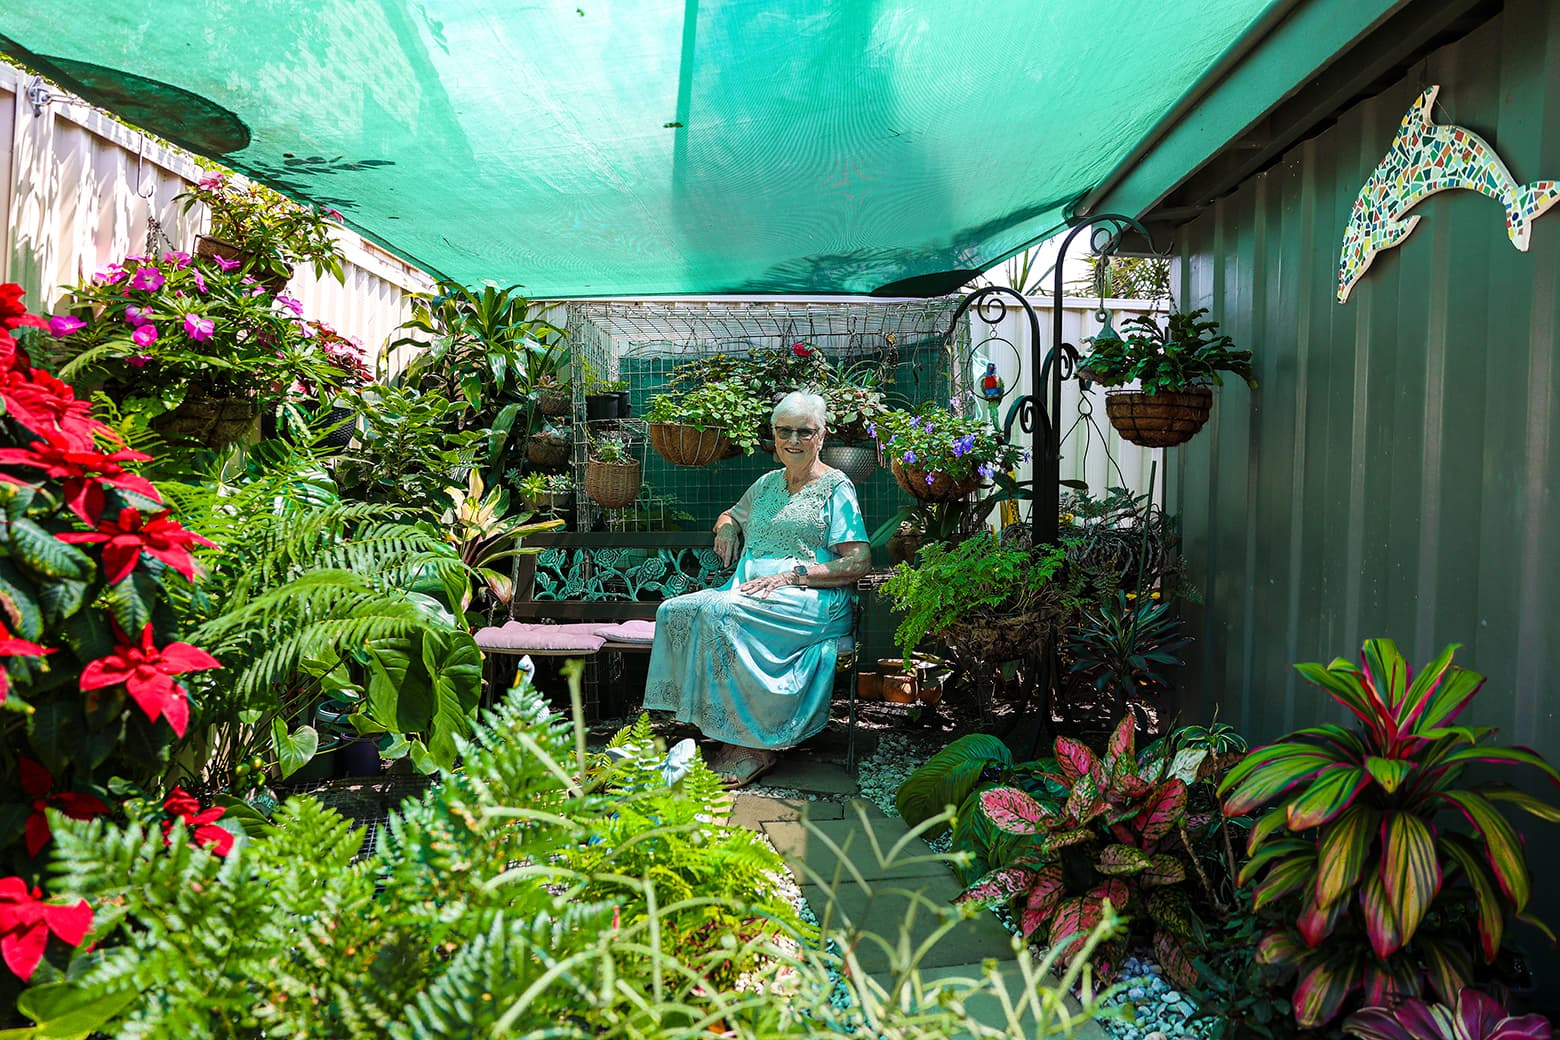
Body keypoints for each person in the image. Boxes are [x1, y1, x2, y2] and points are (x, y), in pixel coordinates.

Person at [644, 390, 871, 787]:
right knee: (674, 610)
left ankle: (754, 744)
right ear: (773, 434)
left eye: (805, 431)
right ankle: (718, 728)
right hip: (753, 591)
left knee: (721, 614)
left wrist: (795, 575)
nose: (793, 441)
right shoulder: (766, 484)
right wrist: (728, 525)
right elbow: (731, 513)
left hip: (812, 598)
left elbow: (858, 562)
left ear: (822, 436)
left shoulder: (837, 487)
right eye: (785, 431)